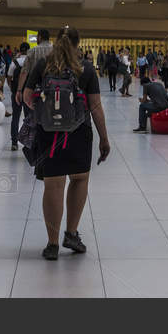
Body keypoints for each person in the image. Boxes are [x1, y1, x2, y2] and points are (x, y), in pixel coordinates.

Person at [22, 26, 109, 260]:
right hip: (78, 134)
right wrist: (104, 138)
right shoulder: (87, 69)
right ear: (77, 44)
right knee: (79, 179)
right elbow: (95, 107)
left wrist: (43, 114)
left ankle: (52, 244)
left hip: (48, 136)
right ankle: (71, 233)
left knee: (53, 185)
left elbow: (26, 96)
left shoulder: (43, 66)